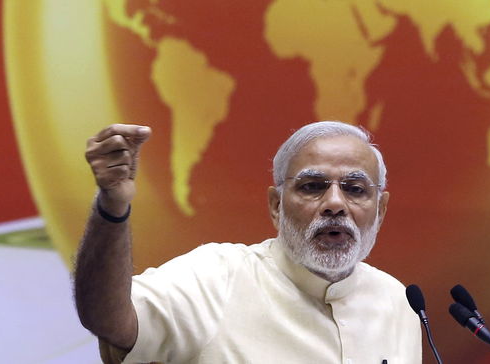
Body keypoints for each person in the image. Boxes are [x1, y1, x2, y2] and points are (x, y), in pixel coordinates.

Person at [74, 121, 421, 363]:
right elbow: (108, 319)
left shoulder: (399, 302)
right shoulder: (217, 276)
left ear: (380, 210)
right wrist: (112, 205)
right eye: (312, 186)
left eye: (355, 189)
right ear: (276, 205)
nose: (335, 203)